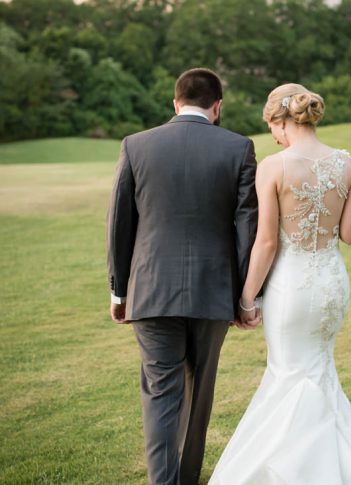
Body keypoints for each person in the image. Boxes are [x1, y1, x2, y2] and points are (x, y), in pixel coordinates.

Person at [210, 83, 351, 484]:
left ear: (282, 120)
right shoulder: (347, 165)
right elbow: (350, 235)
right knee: (318, 367)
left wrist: (247, 297)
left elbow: (267, 241)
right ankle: (338, 465)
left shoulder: (274, 166)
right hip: (332, 282)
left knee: (289, 371)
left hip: (292, 286)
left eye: (272, 126)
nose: (272, 135)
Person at [106, 68, 259, 485]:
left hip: (151, 289)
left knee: (160, 392)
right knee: (199, 391)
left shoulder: (136, 145)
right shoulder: (238, 147)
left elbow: (120, 223)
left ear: (176, 103)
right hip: (214, 292)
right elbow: (248, 227)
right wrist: (248, 297)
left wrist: (120, 291)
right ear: (217, 106)